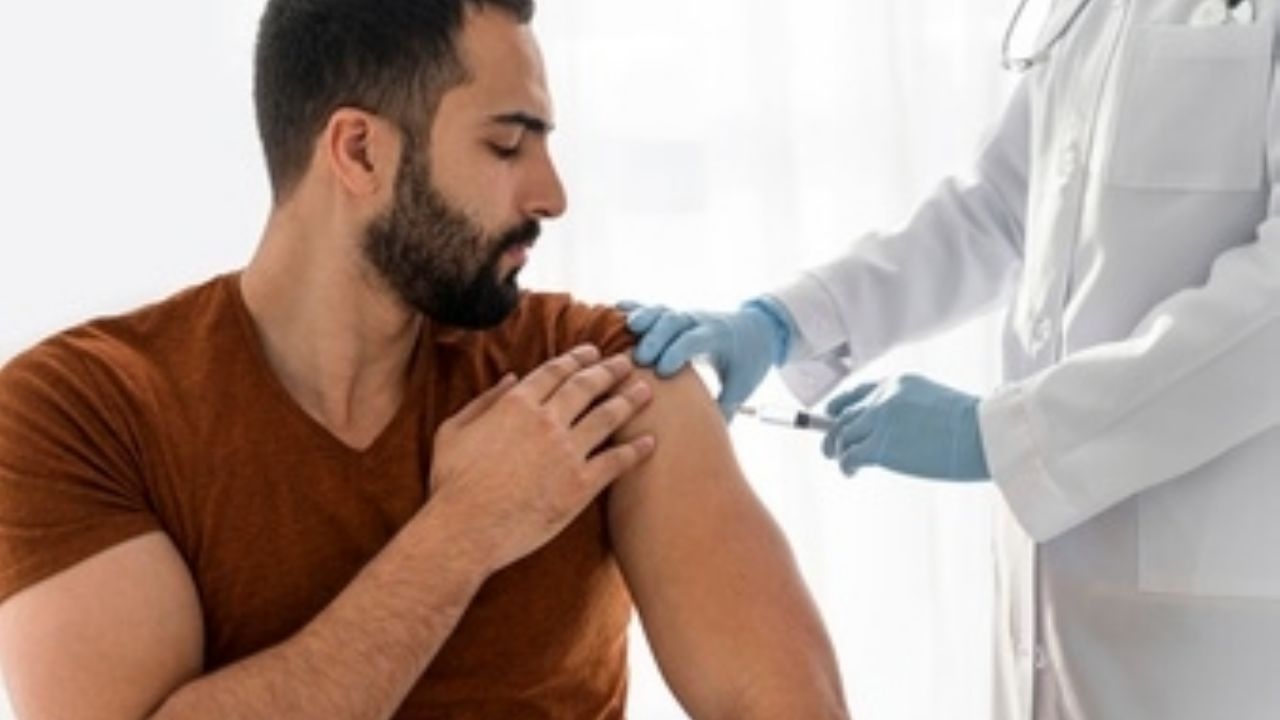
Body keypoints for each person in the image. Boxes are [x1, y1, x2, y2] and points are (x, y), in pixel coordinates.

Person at [0, 2, 849, 718]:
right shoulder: (78, 412)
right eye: (507, 146)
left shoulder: (596, 372)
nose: (552, 195)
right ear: (359, 151)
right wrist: (465, 530)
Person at [625, 1, 1280, 718]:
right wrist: (787, 321)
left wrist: (1011, 433)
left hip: (1214, 635)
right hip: (1057, 606)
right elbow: (997, 209)